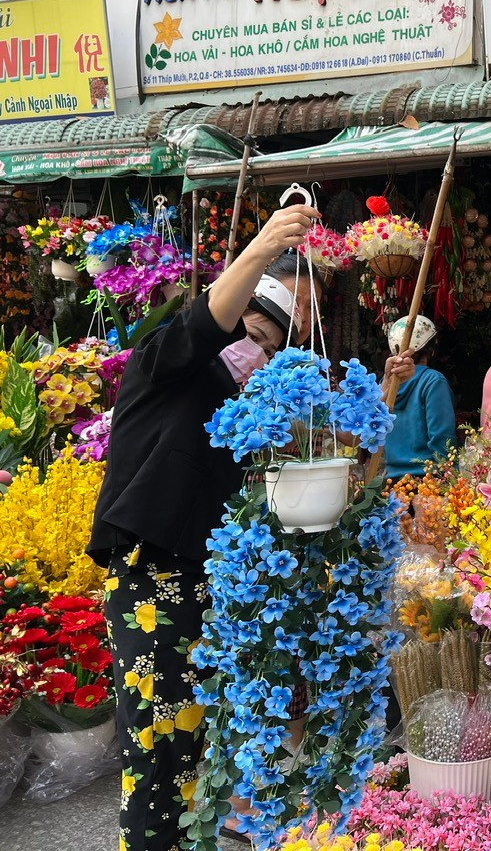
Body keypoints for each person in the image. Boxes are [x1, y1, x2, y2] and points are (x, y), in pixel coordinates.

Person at [89, 203, 320, 851]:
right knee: (156, 752)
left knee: (191, 751)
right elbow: (204, 322)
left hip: (196, 584)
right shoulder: (165, 361)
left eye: (273, 348)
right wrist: (264, 246)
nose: (259, 354)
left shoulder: (230, 408)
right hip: (147, 580)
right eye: (255, 335)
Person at [381, 314, 456, 478]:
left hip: (391, 483)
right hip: (427, 483)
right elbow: (443, 441)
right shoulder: (433, 381)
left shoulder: (385, 385)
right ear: (432, 349)